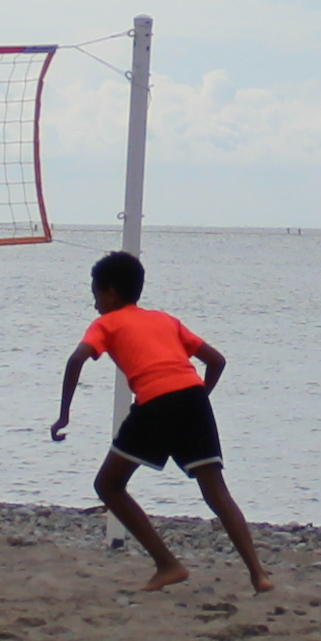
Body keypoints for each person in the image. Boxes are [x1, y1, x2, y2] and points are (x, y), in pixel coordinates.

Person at [52, 250, 273, 593]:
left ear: (111, 292)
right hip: (193, 398)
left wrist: (64, 414)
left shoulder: (106, 323)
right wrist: (198, 398)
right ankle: (259, 574)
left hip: (155, 402)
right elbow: (216, 361)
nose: (94, 304)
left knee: (108, 485)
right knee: (216, 491)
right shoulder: (165, 320)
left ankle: (168, 564)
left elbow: (76, 359)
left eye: (96, 294)